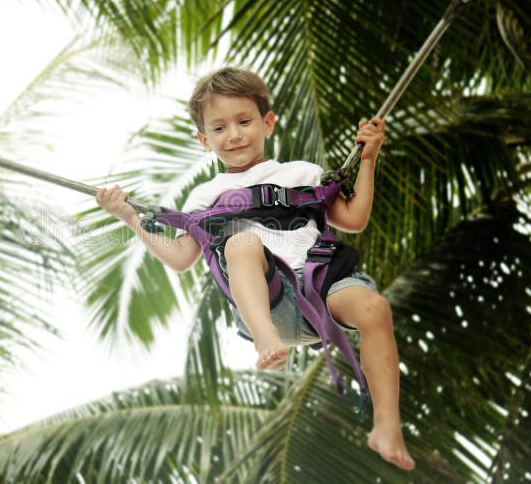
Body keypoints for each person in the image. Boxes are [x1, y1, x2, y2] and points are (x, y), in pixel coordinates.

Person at [96, 67, 415, 471]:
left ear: (267, 123)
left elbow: (352, 218)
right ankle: (268, 343)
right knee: (242, 242)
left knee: (375, 309)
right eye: (220, 128)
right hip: (272, 303)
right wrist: (128, 216)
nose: (234, 135)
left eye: (244, 122)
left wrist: (367, 159)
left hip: (323, 285)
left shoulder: (303, 174)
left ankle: (387, 426)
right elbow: (180, 258)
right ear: (204, 140)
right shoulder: (203, 197)